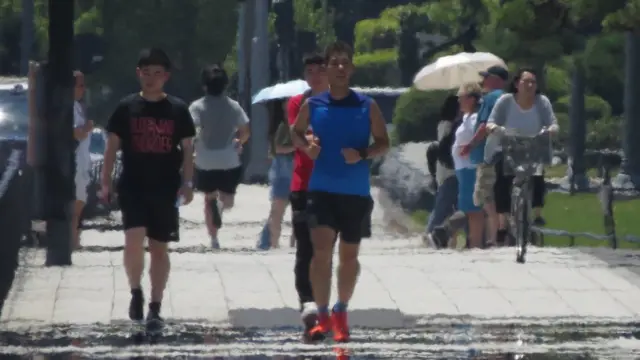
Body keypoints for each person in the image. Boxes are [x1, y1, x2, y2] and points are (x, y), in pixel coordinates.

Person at [291, 41, 389, 342]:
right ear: (327, 69)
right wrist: (308, 147)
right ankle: (321, 314)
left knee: (349, 257)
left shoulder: (367, 104)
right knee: (321, 252)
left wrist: (362, 153)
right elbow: (294, 132)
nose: (340, 68)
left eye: (345, 63)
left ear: (352, 68)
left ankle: (341, 309)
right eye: (334, 63)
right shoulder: (313, 105)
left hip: (356, 192)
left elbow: (384, 142)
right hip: (321, 190)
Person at [100, 48, 196, 335]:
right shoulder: (126, 107)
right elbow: (111, 147)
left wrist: (188, 182)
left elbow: (188, 149)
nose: (151, 78)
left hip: (165, 188)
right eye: (146, 72)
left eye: (157, 73)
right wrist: (106, 181)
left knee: (159, 248)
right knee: (132, 240)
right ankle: (135, 290)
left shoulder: (178, 109)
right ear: (138, 73)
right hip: (133, 184)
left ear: (166, 77)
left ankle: (155, 304)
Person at [483, 68, 558, 239]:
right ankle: (502, 222)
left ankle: (537, 213)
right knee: (502, 178)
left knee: (538, 175)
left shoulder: (542, 102)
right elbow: (491, 122)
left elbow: (552, 122)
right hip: (509, 145)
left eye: (533, 82)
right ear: (517, 84)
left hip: (533, 145)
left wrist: (551, 130)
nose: (530, 85)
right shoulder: (506, 101)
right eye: (526, 81)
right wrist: (495, 128)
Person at [287, 53, 329, 339]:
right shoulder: (297, 103)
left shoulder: (340, 103)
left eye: (319, 70)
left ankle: (324, 301)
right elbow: (298, 137)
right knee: (305, 246)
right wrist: (311, 142)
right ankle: (307, 301)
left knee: (326, 249)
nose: (314, 76)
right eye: (309, 70)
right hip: (303, 184)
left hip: (333, 184)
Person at [189, 64, 251, 249]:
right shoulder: (233, 106)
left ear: (204, 85)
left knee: (208, 199)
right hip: (228, 159)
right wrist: (240, 141)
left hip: (204, 159)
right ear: (225, 85)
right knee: (229, 200)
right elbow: (245, 130)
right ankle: (222, 206)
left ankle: (214, 239)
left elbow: (192, 130)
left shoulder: (197, 106)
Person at [459, 65, 509, 246]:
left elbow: (484, 126)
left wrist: (470, 145)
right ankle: (501, 233)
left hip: (487, 155)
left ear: (496, 79)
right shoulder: (509, 98)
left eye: (486, 77)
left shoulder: (490, 99)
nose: (483, 81)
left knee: (486, 198)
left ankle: (496, 237)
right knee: (501, 195)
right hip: (506, 153)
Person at [257, 99, 295, 250]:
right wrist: (295, 146)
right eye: (286, 110)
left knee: (297, 213)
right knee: (278, 211)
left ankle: (291, 244)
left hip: (294, 172)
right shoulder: (282, 127)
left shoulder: (302, 126)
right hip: (283, 172)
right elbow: (277, 149)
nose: (288, 113)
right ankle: (274, 244)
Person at [423, 95, 460, 248]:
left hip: (444, 171)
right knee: (442, 207)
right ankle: (430, 234)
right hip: (449, 172)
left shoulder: (444, 124)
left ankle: (444, 238)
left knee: (447, 207)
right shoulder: (448, 126)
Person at [451, 83, 484, 248]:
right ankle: (470, 240)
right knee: (467, 207)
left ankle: (475, 243)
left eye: (461, 98)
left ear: (471, 99)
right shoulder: (466, 117)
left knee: (473, 210)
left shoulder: (474, 119)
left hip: (470, 166)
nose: (459, 101)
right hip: (462, 167)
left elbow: (476, 137)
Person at [71, 71, 93, 251]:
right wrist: (86, 128)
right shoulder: (69, 107)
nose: (83, 89)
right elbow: (74, 132)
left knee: (81, 201)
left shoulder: (78, 106)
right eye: (79, 85)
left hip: (82, 161)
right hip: (74, 162)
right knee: (76, 202)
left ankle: (76, 238)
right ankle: (72, 239)